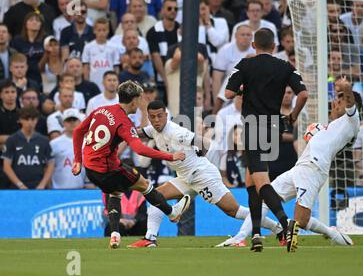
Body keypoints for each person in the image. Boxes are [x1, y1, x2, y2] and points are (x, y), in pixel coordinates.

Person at [127, 100, 281, 248]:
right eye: (152, 117)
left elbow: (205, 143)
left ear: (166, 116)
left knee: (234, 211)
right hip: (185, 178)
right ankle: (150, 238)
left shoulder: (176, 132)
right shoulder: (153, 130)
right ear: (148, 117)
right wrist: (125, 131)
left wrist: (199, 155)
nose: (156, 120)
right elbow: (139, 133)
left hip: (201, 175)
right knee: (155, 196)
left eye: (160, 116)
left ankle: (278, 229)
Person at [71, 80, 190, 248]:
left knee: (114, 192)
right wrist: (170, 156)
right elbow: (139, 149)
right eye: (140, 99)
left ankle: (114, 234)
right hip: (108, 169)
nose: (141, 103)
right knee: (144, 185)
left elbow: (77, 132)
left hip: (90, 169)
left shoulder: (101, 110)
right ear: (134, 100)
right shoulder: (124, 122)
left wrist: (78, 160)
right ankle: (172, 213)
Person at [225, 28, 309, 252]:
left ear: (254, 45)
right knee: (251, 182)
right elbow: (303, 94)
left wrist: (243, 89)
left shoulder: (245, 64)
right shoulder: (284, 66)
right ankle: (256, 234)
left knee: (261, 182)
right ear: (274, 47)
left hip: (253, 126)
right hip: (273, 127)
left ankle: (285, 225)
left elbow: (227, 94)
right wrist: (293, 116)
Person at [271, 77, 359, 252]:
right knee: (265, 197)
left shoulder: (352, 122)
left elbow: (350, 103)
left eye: (339, 101)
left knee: (301, 221)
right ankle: (244, 236)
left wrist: (346, 88)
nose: (335, 104)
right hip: (299, 168)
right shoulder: (330, 127)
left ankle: (323, 234)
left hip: (314, 169)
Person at [2, 106, 54, 189]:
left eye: (33, 119)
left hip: (38, 185)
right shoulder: (12, 140)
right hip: (17, 187)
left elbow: (50, 164)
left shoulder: (43, 140)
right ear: (20, 120)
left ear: (37, 120)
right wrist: (20, 185)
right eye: (26, 119)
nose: (30, 123)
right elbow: (6, 166)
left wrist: (42, 184)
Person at [211, 24, 254, 114]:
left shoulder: (256, 50)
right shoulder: (225, 50)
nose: (245, 37)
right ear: (235, 36)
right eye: (243, 35)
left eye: (248, 35)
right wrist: (216, 104)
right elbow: (217, 79)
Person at [146, 0, 181, 104]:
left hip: (179, 77)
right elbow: (155, 56)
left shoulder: (181, 29)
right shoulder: (154, 31)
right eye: (169, 8)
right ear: (162, 10)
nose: (173, 11)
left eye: (176, 9)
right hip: (161, 80)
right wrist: (166, 79)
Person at [50, 108, 91, 189]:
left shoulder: (88, 143)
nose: (72, 123)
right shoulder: (54, 143)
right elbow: (49, 167)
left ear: (80, 122)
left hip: (81, 189)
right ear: (63, 123)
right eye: (69, 120)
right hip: (58, 189)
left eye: (74, 120)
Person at [81, 18, 120, 93]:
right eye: (99, 30)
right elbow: (86, 67)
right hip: (94, 81)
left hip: (110, 83)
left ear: (108, 31)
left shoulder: (114, 47)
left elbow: (116, 67)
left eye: (104, 30)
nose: (101, 33)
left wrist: (116, 84)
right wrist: (87, 84)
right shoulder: (88, 47)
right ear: (94, 31)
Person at [0, 79, 20, 188]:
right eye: (6, 92)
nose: (10, 95)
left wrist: (6, 140)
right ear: (1, 95)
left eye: (13, 92)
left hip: (19, 160)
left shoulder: (22, 114)